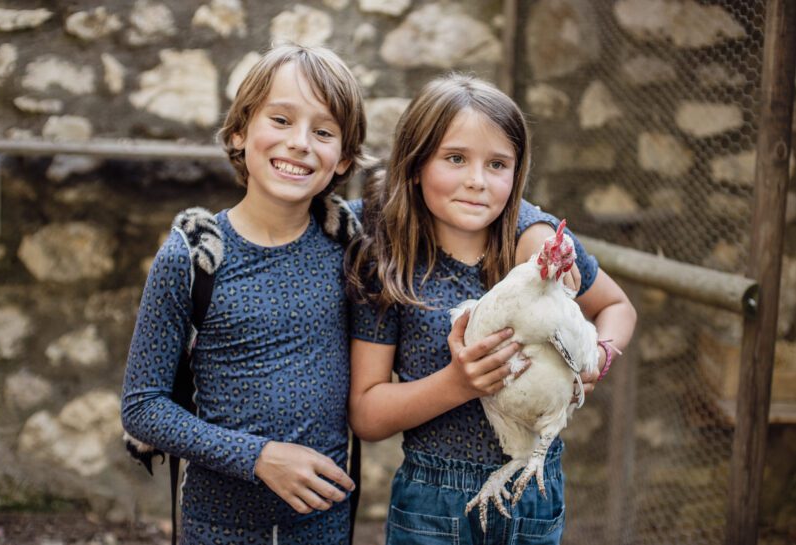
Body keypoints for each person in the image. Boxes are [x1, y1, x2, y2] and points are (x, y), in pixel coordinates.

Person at [345, 74, 637, 544]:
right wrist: (457, 384)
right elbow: (367, 413)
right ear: (416, 164)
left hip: (533, 491)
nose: (477, 181)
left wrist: (598, 354)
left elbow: (618, 306)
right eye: (455, 159)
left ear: (517, 173)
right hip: (431, 501)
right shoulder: (390, 260)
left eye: (498, 164)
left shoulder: (541, 245)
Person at [121, 44, 367, 545]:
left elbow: (449, 194)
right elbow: (142, 407)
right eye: (280, 119)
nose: (300, 143)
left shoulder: (351, 248)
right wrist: (258, 458)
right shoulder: (189, 258)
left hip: (325, 527)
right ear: (239, 132)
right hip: (218, 527)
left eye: (323, 132)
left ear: (343, 159)